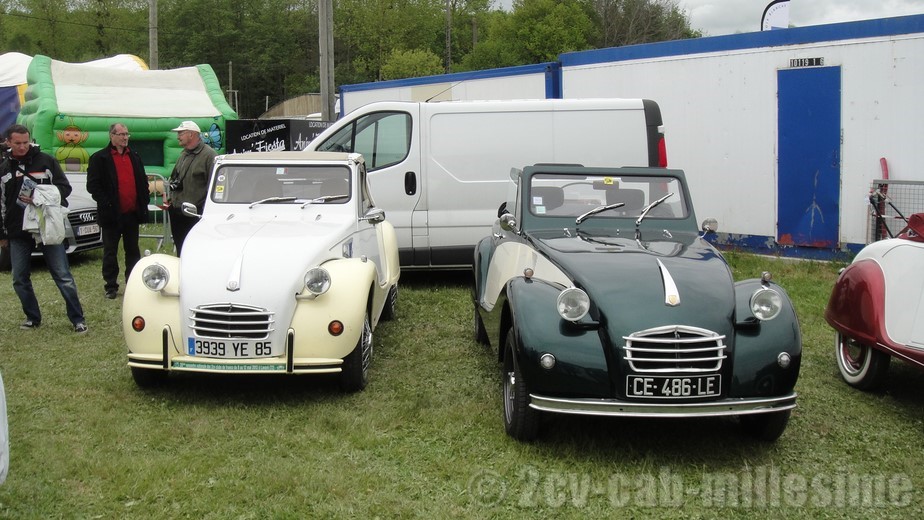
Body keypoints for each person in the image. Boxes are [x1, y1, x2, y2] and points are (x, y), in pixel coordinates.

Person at [0, 124, 87, 332]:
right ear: (8, 142)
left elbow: (64, 188)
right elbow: (1, 203)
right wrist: (2, 234)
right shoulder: (4, 168)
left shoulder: (46, 161)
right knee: (19, 278)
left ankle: (77, 319)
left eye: (26, 142)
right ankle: (32, 317)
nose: (23, 147)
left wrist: (39, 197)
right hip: (18, 230)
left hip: (47, 227)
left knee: (63, 275)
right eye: (18, 143)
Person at [86, 123, 149, 299]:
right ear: (111, 136)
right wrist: (107, 203)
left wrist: (144, 199)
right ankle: (111, 286)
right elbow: (93, 186)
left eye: (127, 134)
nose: (125, 137)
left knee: (133, 250)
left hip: (132, 213)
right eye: (121, 134)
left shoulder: (134, 156)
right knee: (110, 251)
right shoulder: (99, 158)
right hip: (111, 215)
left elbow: (142, 181)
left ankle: (133, 283)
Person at [166, 121, 216, 255]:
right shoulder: (183, 154)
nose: (178, 137)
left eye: (181, 133)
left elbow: (213, 187)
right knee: (181, 251)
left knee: (196, 252)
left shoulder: (209, 155)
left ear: (192, 134)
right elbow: (175, 179)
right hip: (178, 211)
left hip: (195, 214)